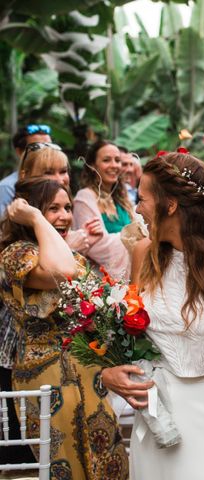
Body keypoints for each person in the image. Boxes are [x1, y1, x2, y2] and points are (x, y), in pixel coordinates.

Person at [99, 151, 204, 479]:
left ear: (170, 205)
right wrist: (108, 372)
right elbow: (130, 330)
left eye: (142, 198)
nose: (137, 208)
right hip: (158, 416)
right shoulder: (143, 254)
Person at [0, 177, 128, 479]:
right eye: (52, 208)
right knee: (63, 462)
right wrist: (35, 217)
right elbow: (62, 272)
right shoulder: (15, 254)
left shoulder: (72, 254)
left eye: (67, 207)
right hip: (47, 377)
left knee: (104, 457)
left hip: (88, 371)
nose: (65, 216)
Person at [73, 140, 134, 279]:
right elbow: (94, 245)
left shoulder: (122, 199)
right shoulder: (85, 198)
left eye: (117, 160)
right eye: (107, 160)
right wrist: (134, 239)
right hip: (102, 281)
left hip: (132, 277)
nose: (114, 165)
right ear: (93, 166)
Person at [0, 124, 53, 215]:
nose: (47, 152)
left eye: (50, 146)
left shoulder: (59, 179)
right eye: (38, 147)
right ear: (19, 152)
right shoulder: (7, 187)